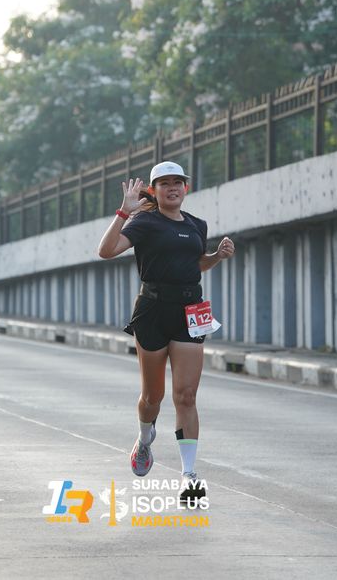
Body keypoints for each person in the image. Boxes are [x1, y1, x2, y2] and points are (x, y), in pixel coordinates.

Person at [98, 160, 235, 503]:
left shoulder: (196, 224)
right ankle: (145, 438)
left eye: (178, 182)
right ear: (155, 191)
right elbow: (106, 251)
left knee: (186, 395)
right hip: (153, 310)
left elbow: (195, 264)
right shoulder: (145, 222)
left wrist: (216, 256)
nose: (173, 188)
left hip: (191, 310)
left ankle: (189, 475)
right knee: (152, 397)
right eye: (165, 183)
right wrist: (123, 212)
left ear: (186, 188)